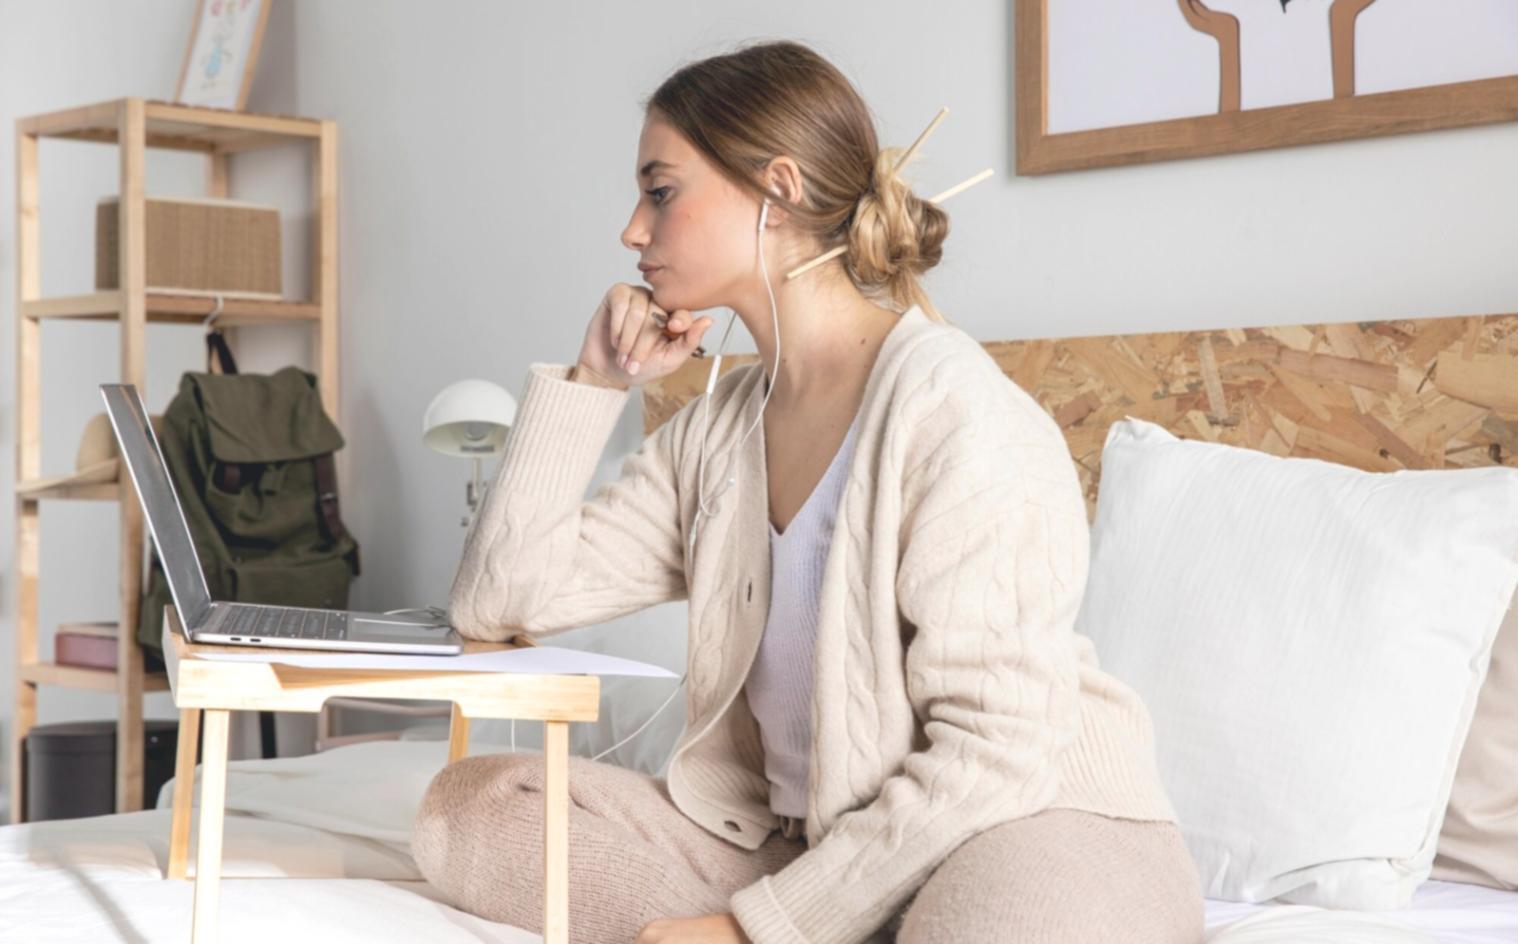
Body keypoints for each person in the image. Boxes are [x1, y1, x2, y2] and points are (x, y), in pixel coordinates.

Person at [412, 38, 1205, 944]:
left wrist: (752, 930)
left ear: (777, 190)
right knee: (469, 809)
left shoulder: (955, 408)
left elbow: (996, 753)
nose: (633, 230)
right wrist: (595, 382)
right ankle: (841, 919)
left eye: (660, 191)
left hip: (1033, 821)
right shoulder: (716, 430)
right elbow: (501, 603)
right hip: (808, 844)